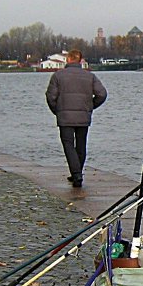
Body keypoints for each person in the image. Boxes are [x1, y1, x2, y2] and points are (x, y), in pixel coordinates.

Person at [45, 49, 107, 188]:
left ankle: (76, 174)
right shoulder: (90, 76)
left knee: (68, 144)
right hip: (83, 115)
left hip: (65, 116)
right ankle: (77, 173)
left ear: (67, 59)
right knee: (81, 144)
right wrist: (90, 106)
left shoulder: (58, 76)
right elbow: (102, 94)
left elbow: (50, 97)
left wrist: (58, 110)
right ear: (80, 60)